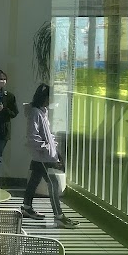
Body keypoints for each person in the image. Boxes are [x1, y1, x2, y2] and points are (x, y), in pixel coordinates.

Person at [21, 84, 77, 228]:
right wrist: (47, 150)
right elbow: (33, 136)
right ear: (43, 98)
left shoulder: (41, 112)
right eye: (49, 98)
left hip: (42, 155)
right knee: (54, 184)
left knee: (34, 181)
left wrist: (53, 148)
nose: (51, 101)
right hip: (43, 156)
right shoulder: (35, 113)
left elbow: (47, 134)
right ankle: (59, 216)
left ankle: (26, 207)